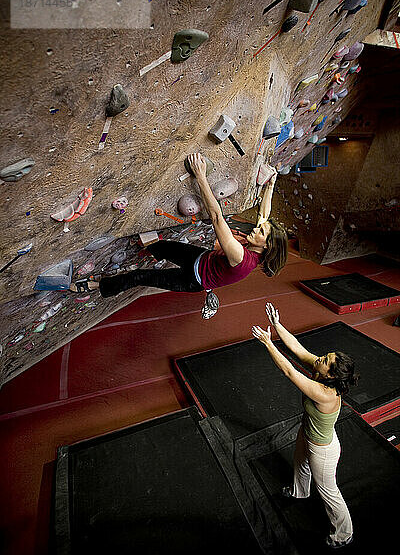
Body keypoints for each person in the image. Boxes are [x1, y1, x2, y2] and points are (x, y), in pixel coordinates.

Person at [71, 154, 288, 317]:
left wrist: (200, 176)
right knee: (163, 247)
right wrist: (271, 185)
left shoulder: (241, 257)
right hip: (201, 259)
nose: (256, 229)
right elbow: (264, 215)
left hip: (193, 280)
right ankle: (141, 251)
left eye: (261, 232)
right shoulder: (257, 244)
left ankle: (98, 286)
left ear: (266, 246)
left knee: (139, 277)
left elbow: (215, 217)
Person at [252, 302, 359, 549]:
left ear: (331, 375)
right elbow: (298, 349)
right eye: (325, 356)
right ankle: (300, 492)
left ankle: (344, 533)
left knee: (328, 491)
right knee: (300, 463)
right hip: (308, 432)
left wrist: (268, 343)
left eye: (325, 359)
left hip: (323, 449)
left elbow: (290, 372)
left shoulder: (325, 392)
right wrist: (278, 325)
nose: (320, 357)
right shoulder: (322, 370)